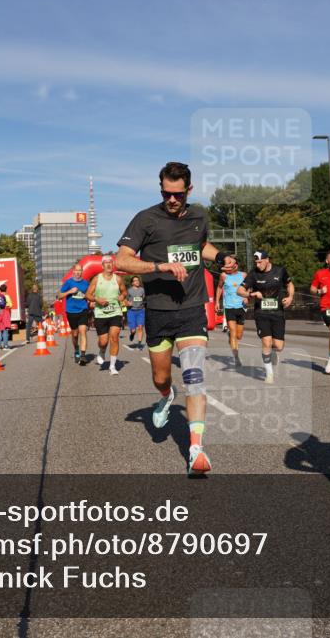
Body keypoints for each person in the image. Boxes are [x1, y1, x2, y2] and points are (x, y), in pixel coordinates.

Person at [115, 161, 235, 474]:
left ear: (189, 190)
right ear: (161, 189)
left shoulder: (198, 215)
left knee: (195, 376)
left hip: (192, 307)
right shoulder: (146, 220)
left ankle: (196, 449)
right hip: (157, 310)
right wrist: (159, 267)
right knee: (161, 378)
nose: (172, 200)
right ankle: (167, 396)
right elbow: (122, 261)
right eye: (167, 193)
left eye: (178, 195)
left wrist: (221, 256)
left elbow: (201, 245)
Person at [238, 250, 294, 383]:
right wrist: (251, 295)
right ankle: (269, 373)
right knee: (266, 341)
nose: (258, 265)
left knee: (278, 346)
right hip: (261, 313)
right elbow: (239, 290)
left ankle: (273, 352)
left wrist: (290, 297)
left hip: (278, 312)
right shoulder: (253, 274)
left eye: (260, 261)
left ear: (267, 259)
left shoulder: (280, 271)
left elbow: (289, 284)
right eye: (256, 262)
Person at [87, 255, 127, 375]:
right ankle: (102, 351)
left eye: (111, 263)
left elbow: (124, 291)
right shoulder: (96, 279)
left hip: (115, 311)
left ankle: (112, 366)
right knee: (103, 341)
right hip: (100, 313)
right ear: (103, 265)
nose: (109, 265)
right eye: (106, 263)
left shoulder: (118, 279)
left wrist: (122, 296)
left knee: (114, 337)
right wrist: (97, 300)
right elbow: (88, 294)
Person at [216, 255, 247, 367]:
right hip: (229, 307)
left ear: (236, 265)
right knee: (233, 333)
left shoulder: (243, 275)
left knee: (239, 336)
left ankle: (231, 336)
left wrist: (246, 296)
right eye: (226, 265)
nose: (228, 267)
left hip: (241, 307)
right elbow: (219, 287)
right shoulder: (223, 276)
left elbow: (249, 287)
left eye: (231, 265)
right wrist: (217, 302)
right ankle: (236, 357)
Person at [59, 264, 91, 365]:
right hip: (71, 311)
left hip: (83, 310)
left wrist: (90, 300)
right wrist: (69, 291)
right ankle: (76, 349)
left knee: (83, 331)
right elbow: (59, 295)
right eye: (76, 271)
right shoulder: (68, 282)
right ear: (73, 271)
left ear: (82, 272)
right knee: (75, 334)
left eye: (80, 271)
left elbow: (90, 295)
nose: (78, 273)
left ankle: (83, 355)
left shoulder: (86, 284)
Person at [126, 276, 146, 349]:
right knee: (133, 330)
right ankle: (132, 334)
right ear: (132, 283)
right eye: (135, 281)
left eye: (138, 280)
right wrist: (127, 303)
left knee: (140, 327)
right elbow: (125, 300)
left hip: (140, 311)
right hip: (131, 311)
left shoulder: (142, 290)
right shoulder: (129, 291)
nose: (137, 282)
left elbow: (143, 298)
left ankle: (139, 343)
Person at [0, 284, 13, 350]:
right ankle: (5, 346)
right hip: (5, 313)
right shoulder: (7, 296)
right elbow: (10, 305)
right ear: (6, 289)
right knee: (5, 330)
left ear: (0, 289)